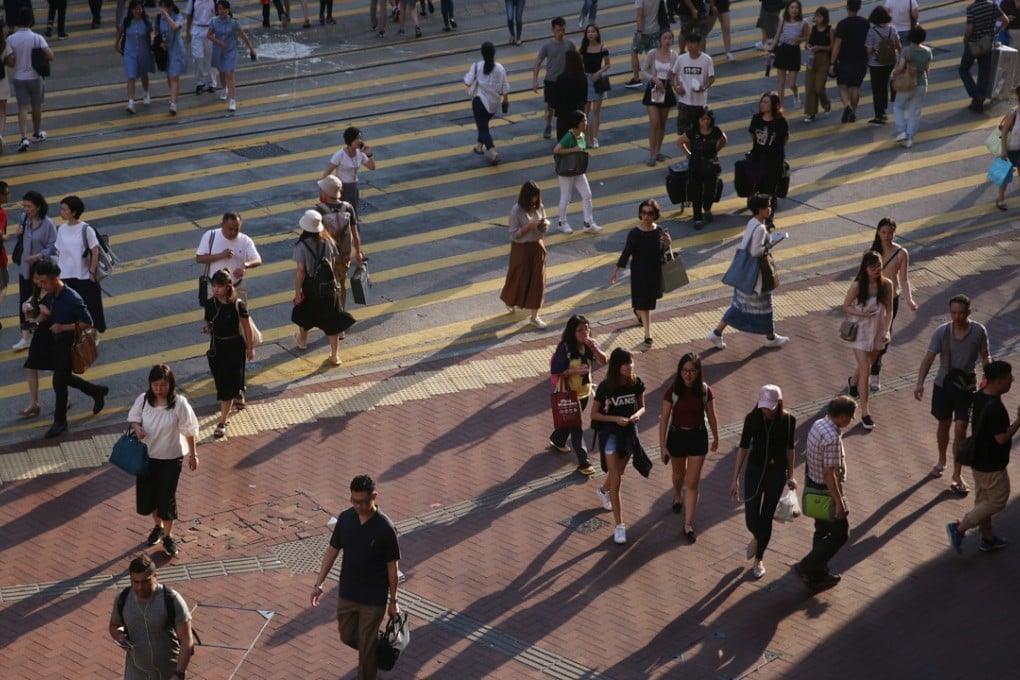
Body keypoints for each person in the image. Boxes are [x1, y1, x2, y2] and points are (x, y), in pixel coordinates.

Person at [310, 474, 401, 680]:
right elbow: (332, 551)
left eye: (363, 501)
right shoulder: (346, 519)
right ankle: (377, 644)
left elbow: (392, 567)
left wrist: (393, 601)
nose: (358, 505)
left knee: (366, 653)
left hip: (374, 598)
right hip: (348, 593)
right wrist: (319, 583)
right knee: (348, 635)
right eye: (354, 501)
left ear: (375, 496)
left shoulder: (385, 528)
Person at [914, 293, 992, 494]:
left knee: (961, 428)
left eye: (961, 313)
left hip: (967, 387)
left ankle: (957, 473)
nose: (957, 317)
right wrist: (920, 383)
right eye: (953, 313)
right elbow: (928, 358)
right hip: (943, 386)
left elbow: (985, 356)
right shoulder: (942, 332)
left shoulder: (978, 331)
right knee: (944, 424)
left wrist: (988, 378)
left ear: (969, 312)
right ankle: (941, 460)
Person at [31, 260, 110, 439]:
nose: (42, 285)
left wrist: (63, 327)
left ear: (55, 279)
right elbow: (51, 314)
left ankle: (60, 422)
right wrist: (37, 318)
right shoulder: (52, 295)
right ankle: (96, 391)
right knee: (64, 378)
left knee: (59, 382)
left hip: (69, 344)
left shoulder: (72, 298)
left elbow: (88, 322)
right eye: (40, 282)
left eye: (45, 282)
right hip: (55, 343)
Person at [946, 361, 1019, 555]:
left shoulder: (979, 397)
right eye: (1009, 378)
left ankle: (988, 538)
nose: (1011, 382)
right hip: (992, 464)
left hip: (978, 460)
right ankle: (959, 528)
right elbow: (1001, 438)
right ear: (998, 381)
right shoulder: (996, 408)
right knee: (997, 501)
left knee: (983, 501)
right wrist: (1019, 422)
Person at [127, 364, 200, 557]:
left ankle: (168, 536)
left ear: (171, 385)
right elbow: (134, 419)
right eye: (155, 385)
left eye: (163, 385)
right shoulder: (143, 400)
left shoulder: (180, 404)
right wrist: (137, 429)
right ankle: (157, 526)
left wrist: (193, 455)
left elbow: (189, 431)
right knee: (150, 497)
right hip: (147, 458)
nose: (159, 389)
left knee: (166, 498)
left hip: (171, 458)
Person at [707, 193, 790, 349]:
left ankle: (716, 333)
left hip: (745, 275)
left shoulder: (752, 222)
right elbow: (755, 252)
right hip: (755, 278)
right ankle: (770, 338)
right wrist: (772, 243)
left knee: (738, 306)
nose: (770, 209)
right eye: (768, 206)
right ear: (760, 209)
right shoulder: (761, 228)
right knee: (766, 306)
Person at [730, 384, 795, 579]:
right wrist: (734, 479)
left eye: (770, 407)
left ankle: (759, 558)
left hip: (776, 473)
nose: (766, 410)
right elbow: (742, 448)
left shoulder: (789, 421)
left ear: (779, 404)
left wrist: (791, 475)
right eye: (764, 406)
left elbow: (790, 449)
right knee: (751, 517)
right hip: (755, 471)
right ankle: (757, 538)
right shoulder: (752, 419)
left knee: (766, 518)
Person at [794, 396, 857, 593]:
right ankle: (808, 566)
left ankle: (817, 576)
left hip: (813, 485)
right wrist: (839, 502)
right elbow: (830, 474)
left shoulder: (818, 424)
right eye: (850, 417)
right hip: (825, 491)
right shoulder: (832, 438)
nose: (851, 421)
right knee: (840, 534)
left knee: (821, 530)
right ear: (841, 416)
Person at [659, 351, 719, 543]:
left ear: (698, 371)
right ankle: (677, 495)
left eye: (692, 370)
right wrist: (662, 446)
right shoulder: (673, 391)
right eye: (684, 370)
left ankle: (688, 524)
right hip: (676, 437)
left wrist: (716, 437)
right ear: (679, 371)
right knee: (679, 475)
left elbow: (711, 415)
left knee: (692, 483)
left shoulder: (704, 391)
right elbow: (664, 419)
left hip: (697, 437)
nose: (688, 374)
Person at [591, 348, 646, 546]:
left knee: (619, 473)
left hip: (629, 434)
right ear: (616, 366)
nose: (629, 366)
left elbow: (642, 405)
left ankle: (602, 491)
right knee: (616, 479)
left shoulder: (636, 382)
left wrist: (637, 415)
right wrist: (615, 419)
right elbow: (594, 415)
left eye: (631, 362)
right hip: (611, 435)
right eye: (625, 363)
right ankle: (619, 525)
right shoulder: (607, 387)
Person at [109, 555, 195, 680]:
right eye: (135, 582)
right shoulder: (122, 599)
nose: (140, 587)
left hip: (169, 673)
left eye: (145, 581)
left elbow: (187, 641)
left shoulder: (171, 600)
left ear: (155, 576)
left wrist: (179, 673)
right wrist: (119, 635)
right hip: (136, 672)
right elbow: (114, 626)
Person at [550, 314, 607, 475]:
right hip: (569, 394)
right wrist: (574, 370)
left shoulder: (590, 344)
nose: (585, 332)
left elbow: (603, 361)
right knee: (576, 427)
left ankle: (557, 439)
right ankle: (584, 462)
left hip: (584, 394)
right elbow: (556, 370)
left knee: (570, 422)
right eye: (580, 330)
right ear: (572, 332)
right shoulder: (566, 347)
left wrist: (594, 347)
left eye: (587, 328)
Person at [842, 250, 893, 430]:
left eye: (878, 266)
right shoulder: (858, 285)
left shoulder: (887, 284)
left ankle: (853, 382)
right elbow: (846, 306)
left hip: (878, 331)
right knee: (867, 370)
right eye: (872, 267)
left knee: (868, 363)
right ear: (865, 268)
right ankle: (865, 412)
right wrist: (860, 312)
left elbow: (889, 310)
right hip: (861, 331)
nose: (877, 270)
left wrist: (886, 331)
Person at [291, 210, 350, 366]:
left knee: (304, 313)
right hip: (329, 286)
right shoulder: (328, 241)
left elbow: (300, 270)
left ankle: (302, 340)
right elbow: (332, 261)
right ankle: (335, 355)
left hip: (311, 287)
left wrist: (297, 292)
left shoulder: (301, 245)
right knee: (332, 320)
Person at [611, 198, 671, 345]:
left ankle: (638, 311)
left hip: (654, 271)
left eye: (650, 213)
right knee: (645, 304)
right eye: (644, 212)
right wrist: (616, 270)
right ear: (640, 214)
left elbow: (662, 252)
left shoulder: (659, 231)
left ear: (655, 214)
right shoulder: (635, 233)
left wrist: (668, 243)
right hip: (639, 273)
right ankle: (647, 335)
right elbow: (627, 252)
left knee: (649, 301)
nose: (646, 216)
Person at [203, 268, 255, 439]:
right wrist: (207, 328)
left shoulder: (237, 305)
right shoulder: (210, 304)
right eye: (213, 286)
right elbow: (208, 321)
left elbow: (246, 327)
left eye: (219, 286)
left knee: (226, 388)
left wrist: (250, 347)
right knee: (221, 382)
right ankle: (239, 390)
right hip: (217, 348)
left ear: (228, 287)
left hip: (235, 348)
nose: (215, 289)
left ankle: (222, 422)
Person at [867, 218, 917, 390]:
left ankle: (874, 371)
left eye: (890, 232)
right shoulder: (871, 252)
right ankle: (867, 368)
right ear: (878, 232)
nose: (887, 236)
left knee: (883, 336)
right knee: (870, 335)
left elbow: (903, 279)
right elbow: (862, 277)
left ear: (895, 232)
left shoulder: (901, 253)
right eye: (883, 232)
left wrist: (909, 299)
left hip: (890, 300)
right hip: (871, 299)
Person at [500, 181, 550, 328]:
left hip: (537, 246)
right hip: (521, 249)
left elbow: (544, 224)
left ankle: (535, 316)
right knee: (518, 278)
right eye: (532, 197)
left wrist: (543, 225)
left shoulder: (539, 207)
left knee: (538, 281)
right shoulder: (516, 211)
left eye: (537, 197)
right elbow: (514, 235)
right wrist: (528, 227)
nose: (534, 200)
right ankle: (510, 299)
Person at [54, 195, 107, 335]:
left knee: (91, 304)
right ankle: (79, 330)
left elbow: (95, 251)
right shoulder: (61, 229)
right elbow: (59, 251)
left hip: (83, 274)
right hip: (66, 274)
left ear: (74, 212)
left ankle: (94, 331)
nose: (61, 212)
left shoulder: (86, 229)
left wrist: (92, 272)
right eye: (61, 209)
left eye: (64, 209)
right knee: (72, 305)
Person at [11, 191, 56, 352]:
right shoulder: (24, 218)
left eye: (29, 206)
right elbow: (21, 240)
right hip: (25, 268)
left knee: (41, 302)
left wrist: (38, 255)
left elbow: (53, 246)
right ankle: (25, 337)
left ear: (38, 207)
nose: (26, 209)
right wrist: (19, 234)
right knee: (24, 302)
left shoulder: (48, 224)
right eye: (24, 206)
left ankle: (42, 334)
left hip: (41, 270)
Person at [315, 175, 365, 311]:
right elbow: (355, 234)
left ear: (325, 193)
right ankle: (342, 312)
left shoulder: (319, 211)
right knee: (342, 285)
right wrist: (358, 252)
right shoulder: (348, 208)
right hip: (344, 255)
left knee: (328, 287)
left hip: (327, 257)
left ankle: (334, 318)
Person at [8, 7, 54, 152]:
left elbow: (10, 61)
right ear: (31, 21)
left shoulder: (11, 39)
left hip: (18, 78)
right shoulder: (37, 38)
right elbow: (51, 56)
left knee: (22, 107)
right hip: (35, 77)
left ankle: (23, 138)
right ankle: (37, 132)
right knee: (36, 106)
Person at [194, 211, 262, 304]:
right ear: (222, 225)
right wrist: (221, 255)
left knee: (240, 316)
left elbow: (257, 260)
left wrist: (245, 266)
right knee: (214, 317)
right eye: (230, 229)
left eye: (236, 229)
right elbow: (199, 258)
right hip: (215, 290)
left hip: (236, 287)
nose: (233, 232)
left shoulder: (245, 240)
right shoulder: (210, 236)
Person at [676, 106, 727, 229]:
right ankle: (697, 217)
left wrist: (716, 151)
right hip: (696, 164)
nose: (705, 121)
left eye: (708, 119)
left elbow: (724, 140)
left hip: (711, 165)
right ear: (698, 120)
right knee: (696, 192)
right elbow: (680, 141)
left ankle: (707, 208)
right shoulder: (693, 132)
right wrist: (688, 154)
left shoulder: (716, 131)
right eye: (703, 119)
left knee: (710, 191)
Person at [553, 110, 601, 234]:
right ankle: (561, 222)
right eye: (583, 121)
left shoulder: (582, 135)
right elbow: (557, 150)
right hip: (567, 171)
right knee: (566, 198)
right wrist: (573, 149)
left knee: (587, 194)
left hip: (578, 170)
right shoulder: (569, 136)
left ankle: (588, 222)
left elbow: (580, 149)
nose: (586, 123)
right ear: (577, 123)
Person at [464, 42, 510, 167]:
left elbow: (467, 82)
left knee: (483, 128)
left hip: (480, 102)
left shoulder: (477, 66)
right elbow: (505, 88)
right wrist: (505, 101)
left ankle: (493, 152)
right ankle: (479, 146)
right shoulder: (500, 68)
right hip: (494, 104)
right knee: (483, 123)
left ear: (482, 53)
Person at [531, 18, 575, 140]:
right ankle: (548, 125)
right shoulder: (547, 46)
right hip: (551, 81)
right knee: (551, 107)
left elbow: (576, 60)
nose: (561, 33)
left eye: (563, 30)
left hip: (565, 81)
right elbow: (538, 61)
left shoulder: (569, 44)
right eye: (558, 30)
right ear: (553, 30)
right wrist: (535, 80)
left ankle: (563, 129)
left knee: (565, 107)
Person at [746, 91, 789, 216]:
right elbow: (752, 133)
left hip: (774, 160)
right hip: (758, 157)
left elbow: (785, 138)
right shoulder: (756, 118)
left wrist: (775, 148)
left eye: (766, 102)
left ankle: (769, 214)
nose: (762, 104)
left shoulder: (780, 121)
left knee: (770, 188)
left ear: (774, 105)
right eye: (762, 101)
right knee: (758, 185)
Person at [209, 0, 256, 113]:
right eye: (219, 9)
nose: (221, 11)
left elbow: (244, 36)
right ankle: (224, 88)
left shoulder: (234, 23)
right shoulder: (214, 21)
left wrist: (252, 49)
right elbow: (209, 35)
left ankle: (232, 100)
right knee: (221, 72)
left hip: (231, 51)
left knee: (230, 74)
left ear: (228, 10)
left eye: (223, 9)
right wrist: (219, 42)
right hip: (218, 51)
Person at [640, 30, 678, 167]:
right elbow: (643, 70)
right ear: (660, 40)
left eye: (670, 38)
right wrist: (654, 79)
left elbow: (675, 74)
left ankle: (658, 151)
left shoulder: (674, 56)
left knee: (662, 123)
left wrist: (677, 86)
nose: (667, 41)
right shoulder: (652, 54)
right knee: (654, 122)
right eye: (665, 38)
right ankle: (652, 154)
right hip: (654, 89)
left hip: (666, 89)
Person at [961, 0, 1006, 113]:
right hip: (987, 44)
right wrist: (996, 32)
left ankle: (975, 95)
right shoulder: (992, 6)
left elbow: (969, 29)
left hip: (973, 45)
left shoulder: (971, 9)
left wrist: (965, 40)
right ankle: (979, 101)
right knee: (984, 72)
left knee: (963, 70)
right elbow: (1005, 20)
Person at [829, 0, 870, 123]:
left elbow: (837, 45)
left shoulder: (842, 24)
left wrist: (832, 62)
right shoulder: (865, 23)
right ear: (859, 7)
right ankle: (853, 112)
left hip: (845, 61)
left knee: (842, 85)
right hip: (860, 60)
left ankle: (847, 106)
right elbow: (869, 43)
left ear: (847, 7)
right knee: (855, 87)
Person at [323, 127, 376, 218]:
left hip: (353, 187)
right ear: (349, 140)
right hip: (341, 188)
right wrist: (325, 190)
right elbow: (327, 172)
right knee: (341, 215)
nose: (359, 141)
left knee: (353, 214)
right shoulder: (340, 154)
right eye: (356, 138)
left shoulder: (360, 153)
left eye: (360, 138)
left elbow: (372, 167)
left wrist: (369, 155)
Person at [116, 0, 155, 115]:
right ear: (131, 10)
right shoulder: (126, 21)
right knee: (131, 76)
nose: (137, 11)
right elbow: (120, 32)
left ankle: (146, 92)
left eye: (139, 9)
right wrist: (116, 44)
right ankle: (131, 102)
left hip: (143, 52)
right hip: (130, 53)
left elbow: (152, 34)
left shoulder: (146, 22)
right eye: (135, 9)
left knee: (143, 74)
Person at [674, 32, 715, 138]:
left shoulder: (706, 60)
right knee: (683, 133)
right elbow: (672, 75)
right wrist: (676, 87)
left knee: (700, 131)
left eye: (692, 43)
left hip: (700, 102)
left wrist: (703, 87)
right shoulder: (681, 59)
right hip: (684, 101)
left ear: (698, 44)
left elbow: (711, 78)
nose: (690, 46)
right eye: (688, 43)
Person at [864, 6, 899, 125]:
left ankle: (878, 115)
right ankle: (884, 111)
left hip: (876, 63)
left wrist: (867, 61)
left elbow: (869, 50)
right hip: (890, 62)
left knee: (877, 89)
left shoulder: (872, 32)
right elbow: (897, 45)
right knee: (884, 86)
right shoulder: (892, 29)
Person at [772, 2, 810, 109]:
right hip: (783, 50)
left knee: (792, 83)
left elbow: (808, 37)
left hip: (794, 52)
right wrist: (771, 49)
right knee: (781, 82)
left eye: (797, 8)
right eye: (792, 7)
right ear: (788, 9)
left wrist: (800, 39)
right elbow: (777, 36)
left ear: (800, 10)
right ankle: (781, 107)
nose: (794, 10)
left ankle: (796, 94)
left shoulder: (803, 23)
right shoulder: (783, 21)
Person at [580, 23, 610, 149]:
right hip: (586, 80)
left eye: (593, 31)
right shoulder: (583, 48)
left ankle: (595, 137)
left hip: (597, 81)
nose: (591, 34)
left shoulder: (603, 47)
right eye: (588, 32)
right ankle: (585, 137)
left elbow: (608, 64)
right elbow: (580, 64)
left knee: (596, 111)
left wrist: (599, 72)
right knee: (585, 112)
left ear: (597, 33)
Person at [803, 7, 833, 123]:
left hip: (824, 59)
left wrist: (819, 47)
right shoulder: (813, 29)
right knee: (809, 86)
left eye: (819, 16)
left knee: (819, 88)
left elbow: (831, 46)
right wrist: (808, 46)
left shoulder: (829, 30)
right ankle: (811, 112)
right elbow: (808, 43)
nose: (816, 18)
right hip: (812, 59)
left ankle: (826, 103)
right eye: (816, 16)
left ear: (825, 18)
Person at [157, 0, 187, 116]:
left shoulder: (178, 17)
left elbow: (175, 27)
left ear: (170, 8)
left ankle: (173, 104)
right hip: (166, 50)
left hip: (177, 50)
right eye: (161, 7)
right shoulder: (159, 18)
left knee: (174, 76)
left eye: (165, 7)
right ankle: (173, 96)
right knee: (169, 75)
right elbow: (157, 31)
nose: (162, 9)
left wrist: (167, 16)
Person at [553, 50, 588, 145]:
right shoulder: (583, 78)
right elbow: (585, 98)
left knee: (563, 141)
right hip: (577, 114)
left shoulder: (561, 78)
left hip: (563, 114)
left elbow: (556, 98)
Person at [995, 85, 1020, 209]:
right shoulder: (1013, 113)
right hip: (1010, 149)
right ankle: (1000, 198)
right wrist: (1004, 150)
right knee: (1005, 175)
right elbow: (1004, 132)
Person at [185, 0, 217, 95]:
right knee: (197, 57)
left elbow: (219, 14)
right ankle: (200, 82)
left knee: (211, 58)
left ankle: (213, 83)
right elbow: (189, 15)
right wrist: (187, 32)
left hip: (210, 29)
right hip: (197, 30)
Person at [0, 31, 11, 148]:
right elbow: (10, 61)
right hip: (2, 81)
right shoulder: (4, 43)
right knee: (1, 112)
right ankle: (0, 135)